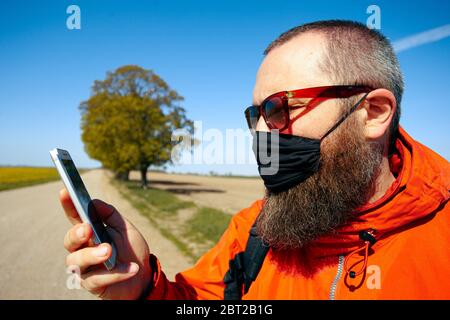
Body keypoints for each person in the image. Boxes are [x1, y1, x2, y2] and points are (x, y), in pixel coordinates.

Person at [60, 20, 450, 300]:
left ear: (374, 112)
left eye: (278, 107)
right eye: (256, 115)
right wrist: (144, 287)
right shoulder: (255, 231)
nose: (261, 133)